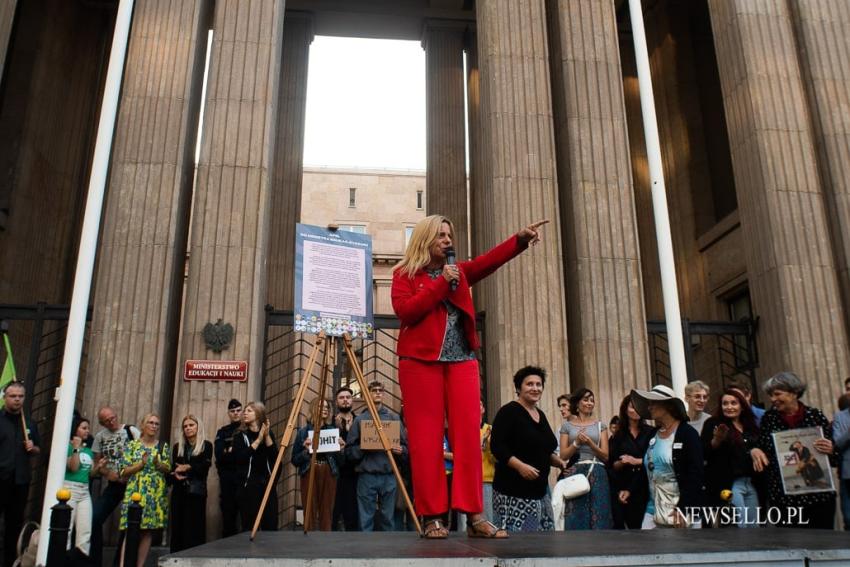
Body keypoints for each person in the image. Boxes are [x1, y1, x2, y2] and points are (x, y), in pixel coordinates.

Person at [391, 214, 548, 539]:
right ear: (425, 239)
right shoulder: (404, 274)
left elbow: (488, 262)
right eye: (441, 236)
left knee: (468, 438)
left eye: (449, 235)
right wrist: (439, 284)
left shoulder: (460, 272)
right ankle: (433, 517)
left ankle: (475, 515)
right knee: (426, 441)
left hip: (462, 360)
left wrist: (519, 240)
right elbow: (406, 312)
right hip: (420, 363)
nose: (448, 240)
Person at [750, 372, 836, 528]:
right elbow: (761, 446)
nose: (772, 399)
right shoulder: (769, 418)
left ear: (794, 393)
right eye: (770, 395)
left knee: (823, 545)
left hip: (818, 498)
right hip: (784, 499)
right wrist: (755, 450)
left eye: (777, 394)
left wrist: (831, 449)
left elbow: (834, 456)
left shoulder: (815, 415)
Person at [491, 366, 566, 533]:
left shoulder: (540, 414)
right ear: (519, 388)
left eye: (539, 384)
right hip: (513, 491)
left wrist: (558, 461)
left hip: (540, 491)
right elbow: (497, 446)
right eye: (529, 384)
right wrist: (520, 466)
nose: (535, 388)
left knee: (542, 544)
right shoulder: (509, 411)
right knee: (519, 546)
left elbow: (542, 448)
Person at [630, 384, 704, 529]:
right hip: (652, 512)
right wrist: (629, 490)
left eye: (653, 403)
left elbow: (695, 474)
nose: (649, 407)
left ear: (668, 406)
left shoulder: (687, 434)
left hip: (682, 514)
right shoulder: (651, 435)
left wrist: (683, 507)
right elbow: (647, 469)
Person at [345, 381, 408, 532]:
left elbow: (405, 447)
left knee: (388, 519)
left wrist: (401, 451)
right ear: (368, 394)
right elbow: (349, 451)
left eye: (381, 390)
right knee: (365, 519)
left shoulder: (394, 419)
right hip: (367, 475)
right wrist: (363, 447)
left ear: (384, 394)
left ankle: (388, 552)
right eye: (374, 390)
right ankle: (366, 551)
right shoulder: (360, 420)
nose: (378, 393)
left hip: (389, 475)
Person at [701, 389, 760, 527]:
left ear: (742, 405)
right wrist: (716, 440)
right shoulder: (713, 423)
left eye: (733, 403)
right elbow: (703, 452)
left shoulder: (749, 425)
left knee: (755, 527)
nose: (729, 407)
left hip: (751, 482)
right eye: (725, 403)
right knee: (738, 526)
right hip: (730, 484)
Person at [119, 413, 170, 567]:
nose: (154, 426)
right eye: (151, 423)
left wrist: (158, 464)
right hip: (135, 490)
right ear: (143, 425)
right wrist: (140, 464)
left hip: (155, 492)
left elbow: (168, 468)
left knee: (148, 531)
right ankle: (123, 564)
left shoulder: (162, 446)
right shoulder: (132, 445)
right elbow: (123, 471)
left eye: (156, 424)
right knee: (130, 529)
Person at [90, 406, 139, 567]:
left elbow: (142, 452)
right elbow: (98, 463)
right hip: (113, 484)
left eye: (113, 418)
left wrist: (130, 472)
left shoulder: (130, 431)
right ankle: (95, 561)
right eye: (107, 421)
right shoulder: (100, 437)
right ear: (102, 423)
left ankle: (120, 562)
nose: (112, 422)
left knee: (129, 523)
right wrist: (107, 472)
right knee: (95, 518)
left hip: (131, 483)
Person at [559, 388, 613, 530]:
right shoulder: (567, 426)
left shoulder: (601, 425)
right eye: (586, 399)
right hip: (576, 472)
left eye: (592, 400)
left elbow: (606, 456)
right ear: (577, 403)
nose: (590, 403)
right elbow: (563, 455)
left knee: (599, 514)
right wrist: (576, 443)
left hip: (597, 471)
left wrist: (590, 444)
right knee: (575, 513)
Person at [0, 381, 41, 567]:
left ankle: (10, 562)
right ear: (5, 397)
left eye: (20, 396)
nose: (17, 400)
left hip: (21, 481)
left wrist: (33, 448)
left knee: (15, 524)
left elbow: (38, 450)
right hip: (1, 478)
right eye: (13, 396)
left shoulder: (30, 423)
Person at [291, 397, 345, 531]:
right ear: (313, 409)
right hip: (310, 470)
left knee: (327, 510)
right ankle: (308, 542)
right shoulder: (303, 432)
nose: (325, 409)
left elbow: (341, 462)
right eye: (322, 406)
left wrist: (341, 449)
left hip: (328, 471)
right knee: (309, 510)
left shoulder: (333, 431)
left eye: (327, 407)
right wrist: (305, 450)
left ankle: (325, 543)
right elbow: (294, 460)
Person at [608, 395, 653, 529]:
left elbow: (654, 458)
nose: (637, 410)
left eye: (640, 406)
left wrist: (635, 461)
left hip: (645, 485)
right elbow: (612, 464)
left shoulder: (650, 432)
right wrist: (623, 462)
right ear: (625, 410)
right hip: (623, 485)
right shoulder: (618, 435)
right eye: (633, 406)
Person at [169, 414, 213, 552]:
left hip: (196, 492)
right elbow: (173, 468)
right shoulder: (178, 447)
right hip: (179, 492)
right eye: (185, 426)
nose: (188, 428)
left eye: (191, 425)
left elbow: (204, 468)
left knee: (195, 529)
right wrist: (175, 473)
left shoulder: (206, 445)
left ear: (198, 427)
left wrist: (188, 467)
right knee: (177, 529)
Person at [232, 401, 277, 532]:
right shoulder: (240, 435)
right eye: (244, 411)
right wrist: (258, 440)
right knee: (249, 526)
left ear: (258, 414)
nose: (244, 413)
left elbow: (275, 457)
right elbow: (240, 458)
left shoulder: (269, 433)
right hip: (249, 486)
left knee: (271, 524)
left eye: (249, 410)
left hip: (267, 485)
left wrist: (267, 436)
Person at [65, 415, 101, 561]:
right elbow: (73, 467)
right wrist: (75, 449)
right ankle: (63, 560)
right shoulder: (68, 446)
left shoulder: (88, 450)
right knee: (66, 528)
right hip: (69, 489)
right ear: (75, 429)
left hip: (84, 490)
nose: (87, 431)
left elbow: (90, 472)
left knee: (85, 530)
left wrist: (99, 466)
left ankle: (82, 561)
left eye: (88, 428)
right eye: (84, 428)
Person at [213, 399, 242, 537]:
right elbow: (219, 455)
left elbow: (245, 455)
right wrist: (234, 453)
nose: (236, 413)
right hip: (227, 480)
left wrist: (230, 451)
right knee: (228, 517)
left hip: (243, 478)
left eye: (238, 410)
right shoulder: (223, 432)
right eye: (232, 411)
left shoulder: (246, 430)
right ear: (228, 413)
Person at [331, 387, 359, 531]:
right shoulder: (330, 422)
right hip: (335, 474)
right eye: (342, 397)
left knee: (352, 513)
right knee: (334, 512)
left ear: (352, 400)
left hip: (355, 474)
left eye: (348, 397)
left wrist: (349, 433)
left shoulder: (359, 421)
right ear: (336, 402)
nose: (345, 400)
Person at [834, 391, 850, 530]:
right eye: (848, 388)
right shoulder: (840, 417)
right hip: (848, 473)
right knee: (849, 518)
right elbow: (836, 443)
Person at [480, 399, 496, 521]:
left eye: (480, 404)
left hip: (486, 479)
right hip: (468, 480)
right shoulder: (465, 429)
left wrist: (487, 441)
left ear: (484, 409)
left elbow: (495, 456)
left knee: (487, 518)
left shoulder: (490, 429)